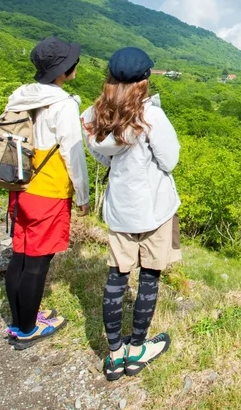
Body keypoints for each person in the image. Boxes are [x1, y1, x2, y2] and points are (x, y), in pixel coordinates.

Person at [81, 47, 181, 381]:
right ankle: (137, 348)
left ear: (108, 77)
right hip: (155, 209)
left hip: (120, 209)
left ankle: (114, 354)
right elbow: (169, 161)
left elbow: (101, 155)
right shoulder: (151, 116)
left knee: (116, 276)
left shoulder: (95, 115)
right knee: (150, 274)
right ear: (145, 79)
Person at [4, 37, 90, 350]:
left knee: (20, 256)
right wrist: (82, 194)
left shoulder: (20, 97)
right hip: (48, 191)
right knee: (38, 263)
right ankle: (28, 329)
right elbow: (73, 154)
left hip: (19, 185)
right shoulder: (63, 105)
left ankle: (17, 322)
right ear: (63, 69)